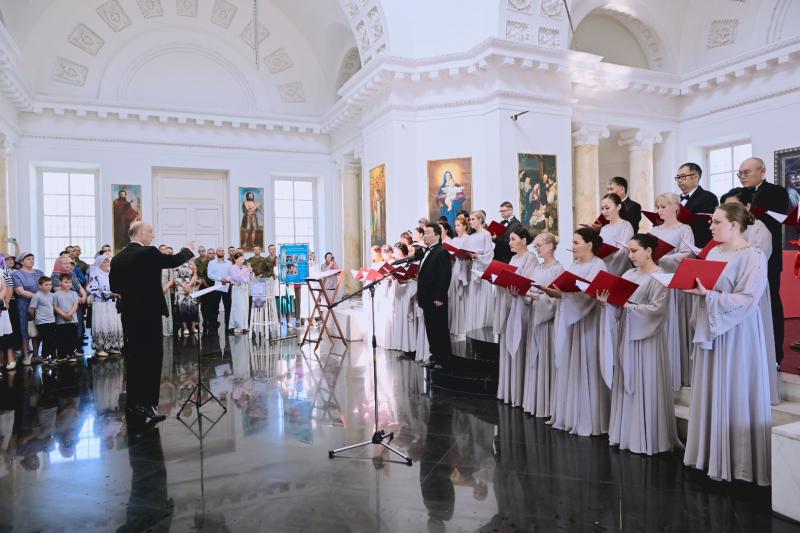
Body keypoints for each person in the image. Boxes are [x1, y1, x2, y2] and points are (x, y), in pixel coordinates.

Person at [682, 203, 772, 486]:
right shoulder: (716, 252)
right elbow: (708, 286)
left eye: (717, 222)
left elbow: (748, 298)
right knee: (712, 386)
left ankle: (738, 462)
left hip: (738, 331)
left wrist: (708, 296)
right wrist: (700, 292)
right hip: (713, 326)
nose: (711, 227)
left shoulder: (754, 256)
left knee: (736, 385)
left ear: (734, 225)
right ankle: (711, 454)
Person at [598, 234, 680, 455]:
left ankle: (649, 438)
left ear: (649, 251)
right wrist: (609, 303)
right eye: (629, 251)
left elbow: (658, 311)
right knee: (627, 379)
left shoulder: (660, 277)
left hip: (648, 339)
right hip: (627, 333)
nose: (630, 255)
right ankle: (626, 433)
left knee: (646, 379)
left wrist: (628, 306)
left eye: (634, 251)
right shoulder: (628, 274)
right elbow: (619, 305)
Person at [109, 221, 194, 425]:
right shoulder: (147, 252)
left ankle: (133, 406)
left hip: (130, 314)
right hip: (148, 314)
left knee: (135, 359)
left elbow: (115, 286)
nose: (153, 235)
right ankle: (147, 406)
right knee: (152, 360)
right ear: (140, 234)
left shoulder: (118, 257)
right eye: (150, 232)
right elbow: (173, 261)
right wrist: (188, 250)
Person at [544, 227, 610, 436]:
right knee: (571, 363)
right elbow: (566, 290)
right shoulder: (575, 264)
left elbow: (591, 294)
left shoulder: (599, 265)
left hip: (587, 321)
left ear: (589, 245)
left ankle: (588, 418)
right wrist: (552, 292)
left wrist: (564, 294)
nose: (572, 247)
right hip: (571, 320)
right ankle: (570, 414)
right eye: (572, 243)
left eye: (575, 243)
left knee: (587, 365)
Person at [739, 156, 790, 365]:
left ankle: (775, 355)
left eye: (746, 172)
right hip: (742, 257)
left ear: (763, 171)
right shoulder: (739, 195)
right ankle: (749, 353)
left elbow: (777, 219)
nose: (742, 177)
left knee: (771, 302)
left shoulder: (777, 192)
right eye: (740, 173)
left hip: (768, 256)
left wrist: (752, 213)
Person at [650, 192, 695, 389]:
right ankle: (658, 370)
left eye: (662, 206)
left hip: (674, 281)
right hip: (656, 279)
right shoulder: (654, 230)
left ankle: (676, 373)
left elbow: (689, 253)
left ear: (675, 207)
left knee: (674, 324)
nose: (658, 210)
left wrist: (665, 257)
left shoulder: (684, 229)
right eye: (657, 206)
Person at [523, 232, 564, 417]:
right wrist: (525, 293)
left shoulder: (558, 269)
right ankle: (535, 402)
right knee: (535, 358)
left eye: (539, 245)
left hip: (547, 322)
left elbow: (557, 300)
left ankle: (547, 405)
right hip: (535, 317)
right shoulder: (538, 268)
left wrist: (535, 296)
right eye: (536, 245)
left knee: (546, 357)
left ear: (549, 246)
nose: (536, 248)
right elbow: (530, 289)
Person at [496, 228, 538, 407]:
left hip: (522, 307)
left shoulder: (531, 258)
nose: (510, 242)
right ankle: (509, 390)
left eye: (513, 239)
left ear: (524, 240)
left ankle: (520, 391)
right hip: (511, 304)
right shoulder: (513, 258)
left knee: (519, 344)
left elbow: (528, 283)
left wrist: (515, 287)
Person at [417, 223, 453, 368]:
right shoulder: (428, 252)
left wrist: (439, 297)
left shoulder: (441, 252)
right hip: (426, 298)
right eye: (424, 233)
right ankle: (434, 356)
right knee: (431, 329)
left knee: (440, 329)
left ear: (437, 236)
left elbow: (444, 276)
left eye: (427, 233)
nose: (424, 235)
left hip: (435, 299)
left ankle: (443, 359)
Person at [464, 211, 495, 331]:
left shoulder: (486, 234)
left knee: (482, 297)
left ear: (480, 220)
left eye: (473, 219)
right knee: (473, 297)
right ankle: (473, 327)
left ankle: (481, 326)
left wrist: (479, 257)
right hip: (473, 268)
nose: (470, 222)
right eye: (470, 219)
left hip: (482, 269)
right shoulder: (472, 236)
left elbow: (489, 253)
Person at [675, 162, 719, 247]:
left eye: (683, 176)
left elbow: (704, 226)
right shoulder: (674, 199)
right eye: (678, 177)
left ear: (695, 177)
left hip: (697, 245)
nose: (679, 180)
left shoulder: (708, 197)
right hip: (677, 245)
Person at [87, 255, 123, 357]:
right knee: (101, 324)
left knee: (112, 323)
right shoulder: (95, 275)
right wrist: (107, 294)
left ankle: (111, 346)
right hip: (101, 304)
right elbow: (90, 288)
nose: (107, 264)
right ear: (99, 263)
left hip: (112, 304)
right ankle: (100, 348)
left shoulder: (112, 274)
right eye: (104, 262)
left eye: (108, 262)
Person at [11, 253, 44, 364]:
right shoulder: (17, 274)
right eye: (29, 259)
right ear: (22, 261)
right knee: (25, 330)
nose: (31, 260)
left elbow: (45, 285)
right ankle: (25, 356)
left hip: (40, 304)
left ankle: (36, 355)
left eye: (33, 259)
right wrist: (38, 296)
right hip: (25, 304)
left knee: (37, 329)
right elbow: (19, 291)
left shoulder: (39, 272)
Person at [598, 193, 634, 275]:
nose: (604, 212)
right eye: (602, 208)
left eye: (607, 208)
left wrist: (610, 272)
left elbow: (623, 252)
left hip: (619, 271)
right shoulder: (604, 228)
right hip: (603, 268)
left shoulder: (626, 225)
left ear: (618, 207)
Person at [447, 217, 470, 335]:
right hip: (454, 266)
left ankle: (462, 326)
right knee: (453, 296)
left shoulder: (468, 239)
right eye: (455, 225)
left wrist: (462, 256)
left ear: (465, 226)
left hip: (463, 267)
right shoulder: (454, 239)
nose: (456, 228)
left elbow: (469, 255)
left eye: (459, 225)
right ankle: (454, 325)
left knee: (462, 296)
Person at [29, 277, 56, 365]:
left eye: (50, 285)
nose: (49, 287)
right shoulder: (37, 296)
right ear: (40, 286)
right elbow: (31, 309)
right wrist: (36, 318)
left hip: (51, 320)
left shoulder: (52, 295)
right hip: (41, 322)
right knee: (46, 339)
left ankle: (53, 356)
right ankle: (45, 356)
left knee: (52, 339)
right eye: (46, 285)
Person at [53, 273, 80, 363]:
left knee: (72, 338)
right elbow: (55, 306)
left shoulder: (74, 293)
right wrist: (64, 315)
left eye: (70, 282)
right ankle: (62, 355)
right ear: (60, 282)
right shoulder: (56, 294)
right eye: (66, 282)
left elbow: (75, 305)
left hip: (73, 320)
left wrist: (69, 314)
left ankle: (71, 353)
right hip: (61, 321)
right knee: (61, 338)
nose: (68, 284)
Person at [207, 247, 233, 333]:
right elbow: (209, 274)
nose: (221, 252)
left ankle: (228, 325)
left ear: (224, 252)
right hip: (216, 287)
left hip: (227, 286)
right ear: (216, 253)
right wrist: (220, 278)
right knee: (214, 307)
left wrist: (226, 279)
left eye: (222, 250)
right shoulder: (211, 263)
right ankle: (213, 325)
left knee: (228, 306)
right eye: (219, 250)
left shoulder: (229, 263)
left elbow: (232, 274)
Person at [174, 259, 200, 336]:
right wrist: (184, 286)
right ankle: (185, 328)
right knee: (182, 308)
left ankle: (193, 327)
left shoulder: (192, 264)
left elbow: (195, 276)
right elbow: (176, 278)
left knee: (193, 308)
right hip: (181, 289)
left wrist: (189, 285)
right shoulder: (177, 264)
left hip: (191, 288)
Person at [229, 253, 252, 334]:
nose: (243, 260)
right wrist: (245, 270)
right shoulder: (232, 267)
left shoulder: (244, 267)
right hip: (237, 288)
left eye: (243, 259)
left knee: (245, 307)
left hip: (245, 288)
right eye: (240, 259)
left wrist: (251, 272)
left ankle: (244, 326)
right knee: (238, 307)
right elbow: (235, 278)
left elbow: (248, 278)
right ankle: (237, 326)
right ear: (235, 260)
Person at [0, 283, 15, 371]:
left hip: (0, 304)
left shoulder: (1, 271)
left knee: (6, 331)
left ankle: (10, 358)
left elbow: (5, 288)